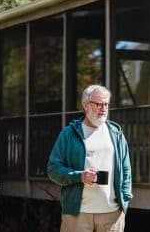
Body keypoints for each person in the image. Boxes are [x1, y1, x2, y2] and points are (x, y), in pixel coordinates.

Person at [47, 85, 132, 232]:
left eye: (106, 104)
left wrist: (124, 201)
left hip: (112, 214)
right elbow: (53, 169)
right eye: (99, 104)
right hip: (77, 214)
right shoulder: (68, 134)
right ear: (85, 105)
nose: (103, 108)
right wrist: (80, 176)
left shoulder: (116, 134)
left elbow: (126, 170)